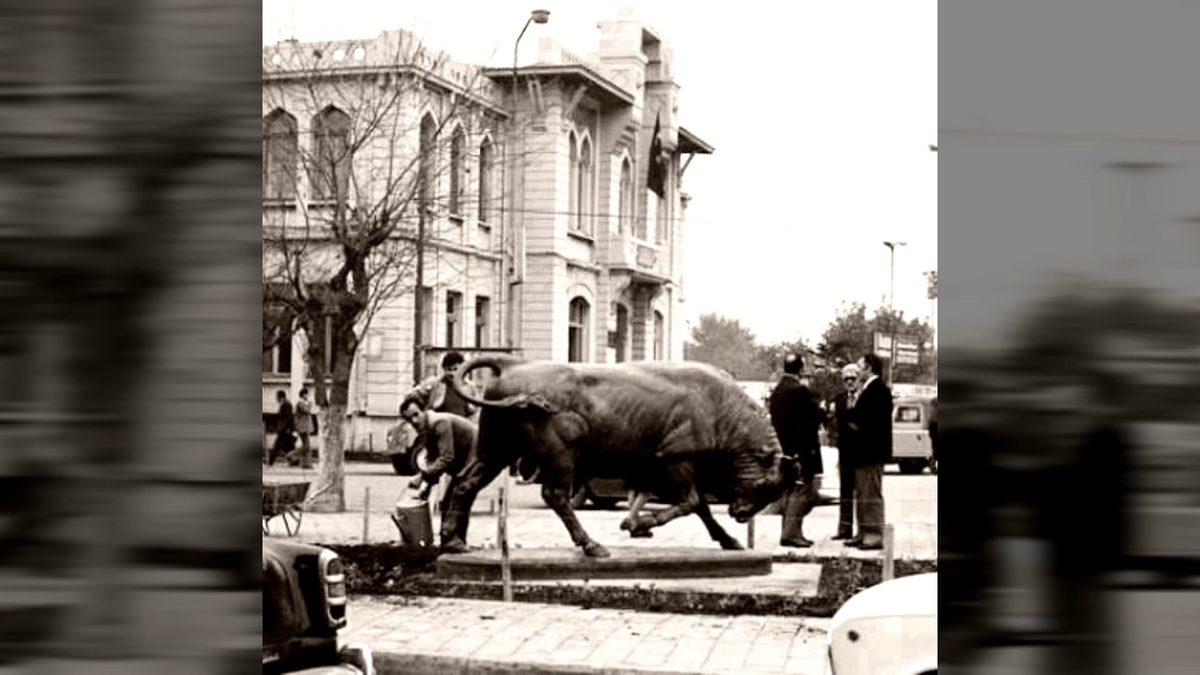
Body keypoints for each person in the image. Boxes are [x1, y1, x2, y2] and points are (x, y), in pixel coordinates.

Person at [768, 352, 826, 547]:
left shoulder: (777, 391)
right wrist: (824, 411)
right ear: (801, 369)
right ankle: (792, 534)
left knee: (789, 491)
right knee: (802, 491)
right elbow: (811, 418)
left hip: (784, 449)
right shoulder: (800, 391)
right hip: (802, 450)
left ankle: (789, 531)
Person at [400, 398, 479, 523]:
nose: (414, 421)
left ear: (424, 411)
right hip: (463, 463)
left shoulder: (439, 423)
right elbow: (434, 461)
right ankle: (450, 539)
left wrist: (421, 477)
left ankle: (454, 540)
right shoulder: (426, 430)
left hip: (477, 457)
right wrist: (424, 490)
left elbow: (447, 458)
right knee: (447, 505)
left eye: (416, 415)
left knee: (457, 500)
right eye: (410, 419)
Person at [846, 352, 892, 550]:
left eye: (860, 365)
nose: (857, 369)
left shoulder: (879, 390)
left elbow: (874, 422)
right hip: (862, 451)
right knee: (862, 493)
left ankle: (873, 534)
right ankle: (863, 531)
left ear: (869, 368)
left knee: (871, 493)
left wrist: (855, 424)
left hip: (871, 451)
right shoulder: (867, 389)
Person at [830, 363, 861, 540]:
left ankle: (861, 530)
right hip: (845, 451)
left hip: (860, 451)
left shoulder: (863, 398)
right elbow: (838, 423)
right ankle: (844, 529)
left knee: (862, 492)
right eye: (846, 379)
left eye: (853, 379)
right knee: (845, 491)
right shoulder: (840, 398)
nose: (849, 382)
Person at [405, 351, 475, 419]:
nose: (452, 373)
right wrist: (420, 413)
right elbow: (411, 395)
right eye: (449, 369)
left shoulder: (469, 386)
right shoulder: (434, 383)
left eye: (455, 369)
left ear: (462, 369)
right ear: (444, 369)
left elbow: (475, 410)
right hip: (438, 425)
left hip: (461, 426)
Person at [268, 389, 295, 466]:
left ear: (280, 397)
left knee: (277, 445)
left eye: (277, 397)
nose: (276, 398)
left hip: (284, 429)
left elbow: (288, 417)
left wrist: (288, 428)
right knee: (288, 446)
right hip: (284, 429)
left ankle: (271, 460)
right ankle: (294, 460)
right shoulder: (285, 403)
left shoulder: (285, 404)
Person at [294, 387, 316, 468]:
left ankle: (304, 463)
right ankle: (291, 455)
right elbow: (307, 410)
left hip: (305, 427)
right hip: (302, 427)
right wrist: (310, 404)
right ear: (303, 395)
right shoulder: (300, 403)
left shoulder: (304, 403)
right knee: (307, 446)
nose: (307, 395)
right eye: (306, 394)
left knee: (306, 446)